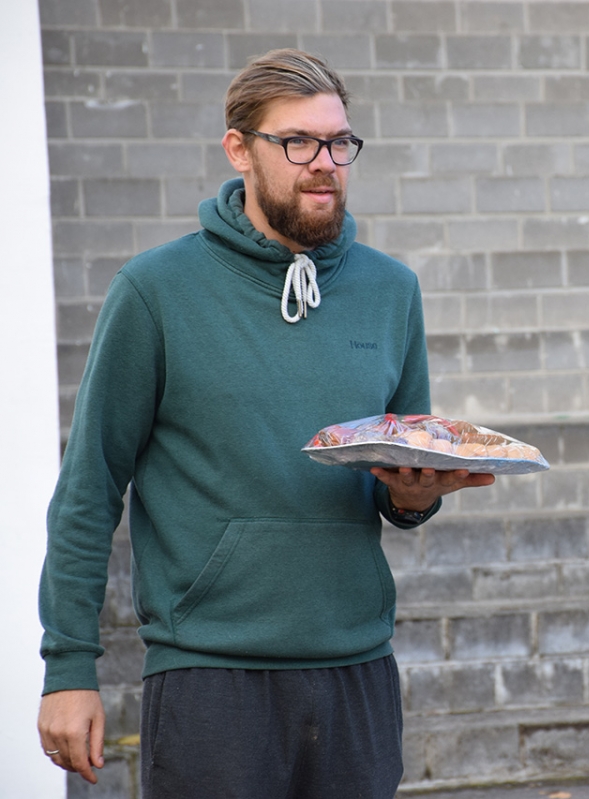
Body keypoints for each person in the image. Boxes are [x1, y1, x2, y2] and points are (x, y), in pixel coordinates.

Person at [37, 49, 493, 797]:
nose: (325, 164)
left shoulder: (391, 290)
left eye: (339, 143)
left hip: (357, 672)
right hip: (211, 678)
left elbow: (399, 473)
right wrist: (68, 668)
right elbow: (89, 488)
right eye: (298, 142)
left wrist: (415, 496)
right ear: (239, 150)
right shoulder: (155, 291)